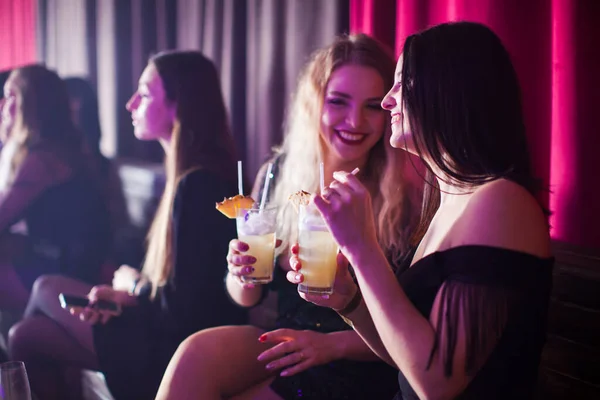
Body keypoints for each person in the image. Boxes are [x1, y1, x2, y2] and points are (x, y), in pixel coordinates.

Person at [289, 22, 554, 399]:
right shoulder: (450, 199)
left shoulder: (501, 201)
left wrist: (362, 247)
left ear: (452, 92)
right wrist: (349, 299)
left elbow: (436, 383)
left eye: (403, 84)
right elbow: (405, 361)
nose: (387, 101)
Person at [156, 34, 422, 400]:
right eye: (338, 102)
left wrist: (330, 345)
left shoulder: (408, 194)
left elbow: (414, 333)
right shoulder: (277, 175)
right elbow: (246, 298)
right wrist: (241, 273)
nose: (355, 120)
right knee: (193, 354)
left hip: (362, 357)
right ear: (314, 105)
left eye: (373, 106)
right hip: (289, 335)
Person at [8, 51, 248, 400]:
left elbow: (188, 310)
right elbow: (181, 284)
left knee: (45, 288)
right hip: (160, 329)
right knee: (24, 336)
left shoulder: (199, 184)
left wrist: (131, 286)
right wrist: (125, 293)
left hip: (174, 348)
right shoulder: (186, 175)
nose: (130, 103)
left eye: (145, 94)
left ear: (179, 104)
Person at [0, 65, 110, 313]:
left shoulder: (42, 159)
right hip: (65, 263)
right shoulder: (60, 148)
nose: (3, 105)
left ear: (33, 105)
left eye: (12, 96)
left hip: (69, 274)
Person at [64, 77, 132, 269]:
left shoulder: (96, 162)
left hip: (92, 256)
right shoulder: (56, 156)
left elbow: (114, 219)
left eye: (77, 110)